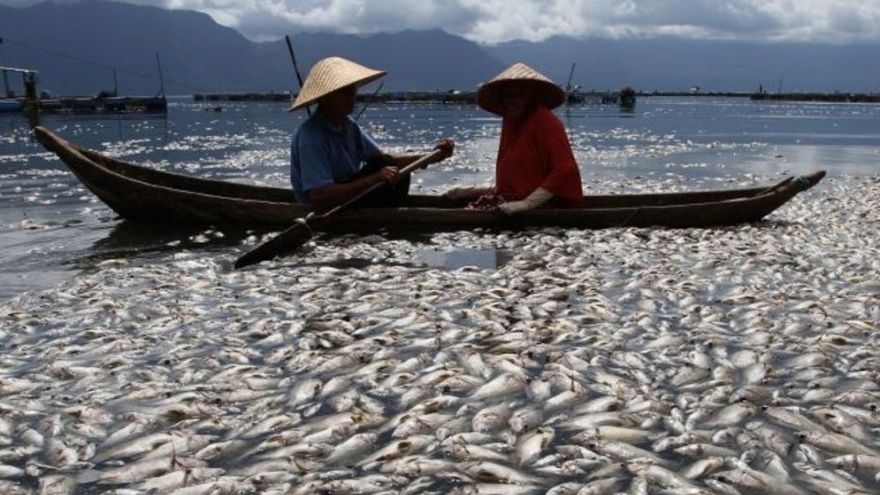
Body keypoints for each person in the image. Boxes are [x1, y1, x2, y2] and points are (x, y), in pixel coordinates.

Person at [289, 56, 455, 212]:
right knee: (384, 168)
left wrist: (432, 155)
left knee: (389, 165)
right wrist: (374, 179)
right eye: (344, 92)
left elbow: (386, 158)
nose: (352, 97)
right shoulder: (311, 138)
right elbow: (319, 197)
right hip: (325, 207)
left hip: (348, 196)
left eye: (352, 90)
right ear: (325, 98)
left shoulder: (348, 126)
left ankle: (389, 215)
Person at [444, 62, 583, 214]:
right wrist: (468, 191)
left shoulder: (546, 121)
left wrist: (528, 203)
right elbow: (511, 187)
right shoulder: (510, 122)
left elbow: (565, 169)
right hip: (512, 201)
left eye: (518, 95)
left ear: (529, 98)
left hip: (546, 203)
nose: (511, 101)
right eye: (508, 95)